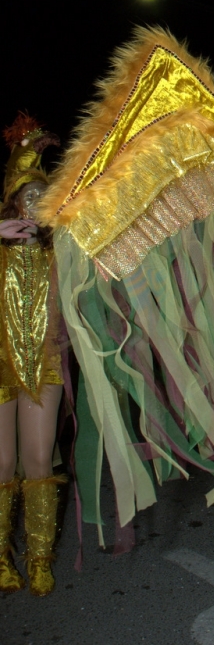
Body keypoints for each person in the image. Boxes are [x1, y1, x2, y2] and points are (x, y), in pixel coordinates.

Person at [0, 113, 65, 597]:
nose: (32, 204)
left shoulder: (60, 247)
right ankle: (1, 557)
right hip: (0, 362)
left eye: (40, 195)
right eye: (25, 195)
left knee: (38, 459)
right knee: (2, 464)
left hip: (44, 361)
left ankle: (39, 559)